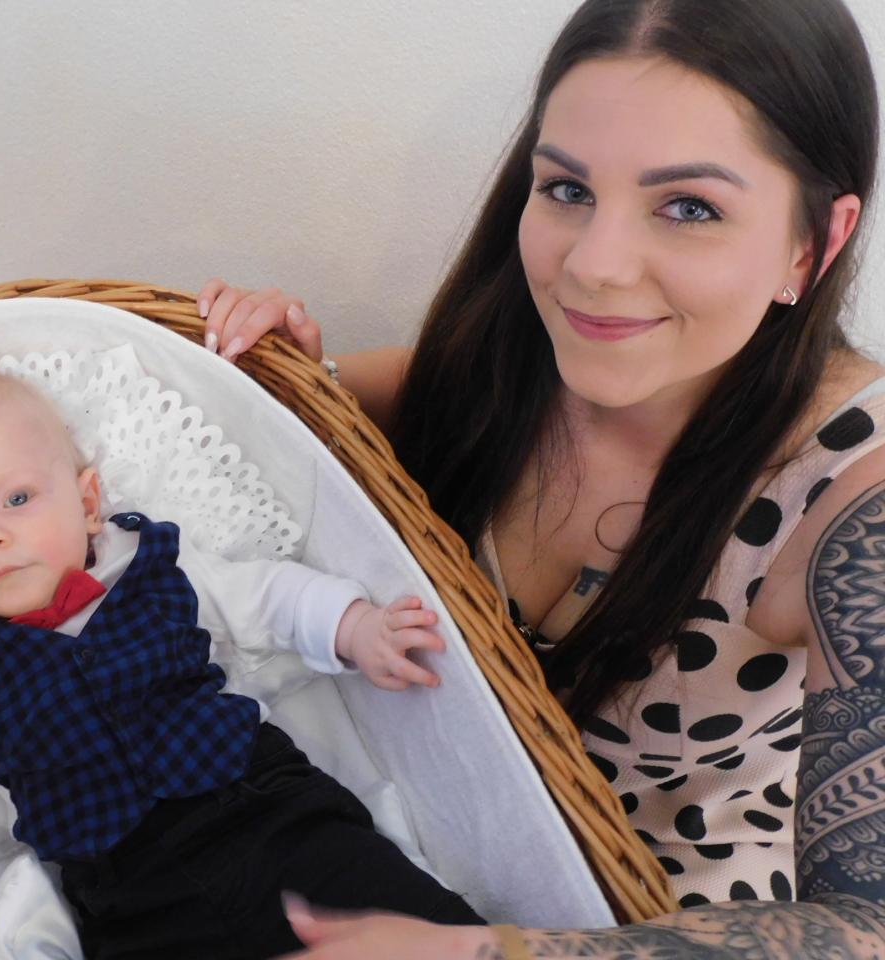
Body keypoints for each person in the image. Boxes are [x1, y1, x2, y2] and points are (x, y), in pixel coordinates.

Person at [198, 0, 884, 956]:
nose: (593, 267)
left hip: (659, 920)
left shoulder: (855, 494)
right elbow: (254, 443)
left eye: (689, 207)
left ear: (815, 242)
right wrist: (278, 380)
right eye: (566, 189)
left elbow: (866, 922)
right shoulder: (507, 363)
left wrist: (496, 955)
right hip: (400, 837)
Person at [0, 345, 484, 960]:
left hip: (264, 810)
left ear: (87, 503)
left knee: (412, 930)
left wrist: (354, 625)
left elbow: (266, 596)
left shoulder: (153, 566)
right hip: (124, 891)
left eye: (16, 499)